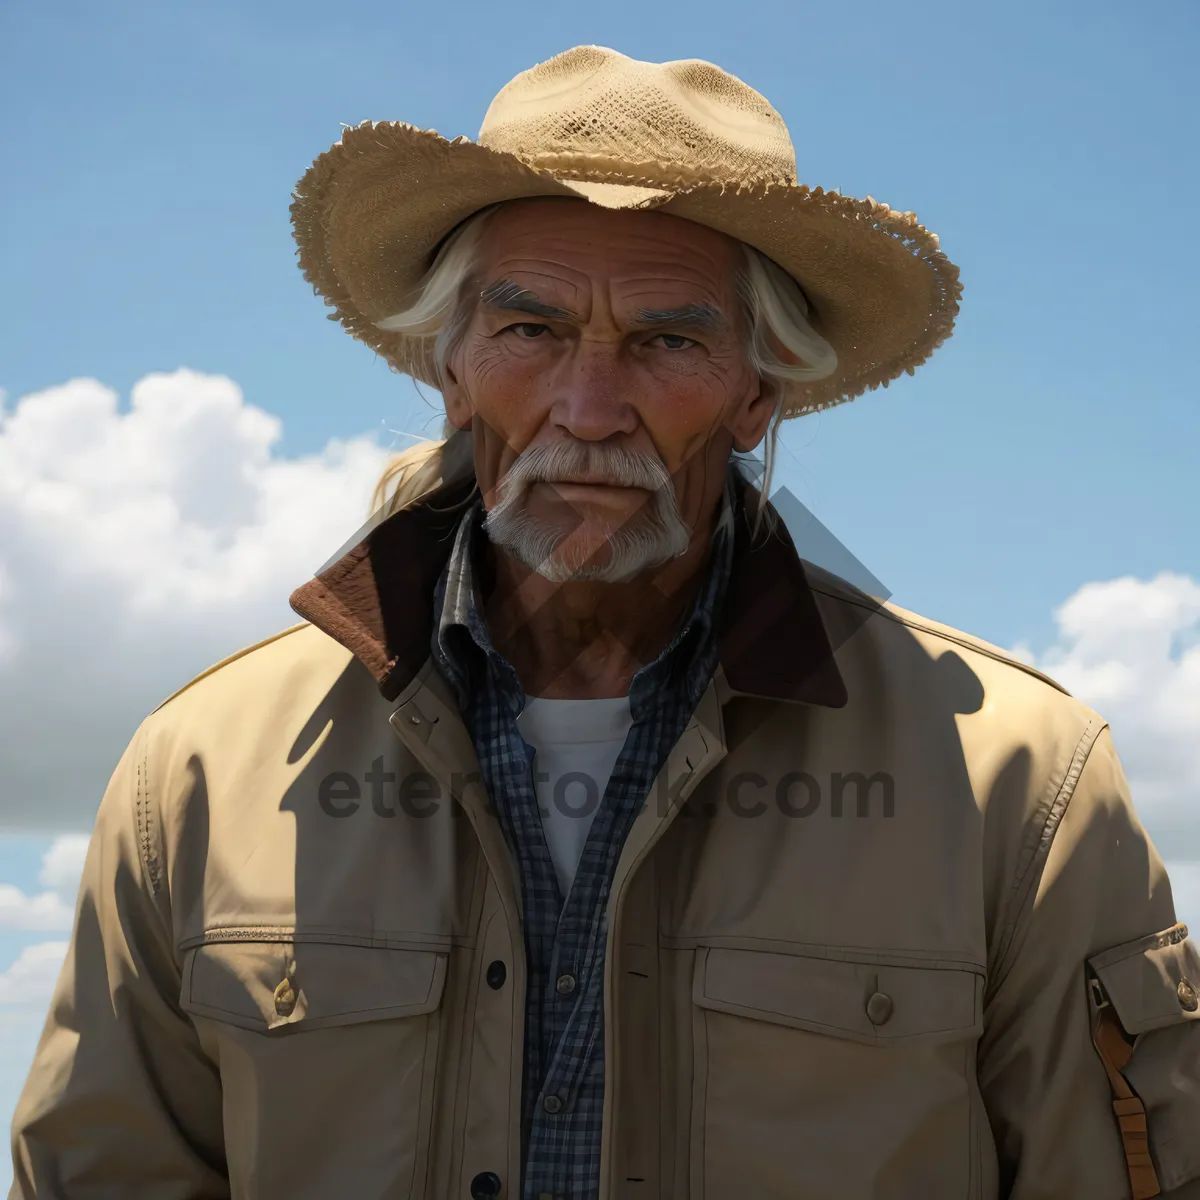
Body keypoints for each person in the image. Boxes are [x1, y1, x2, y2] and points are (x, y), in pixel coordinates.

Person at [10, 44, 1200, 1200]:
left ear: (756, 395)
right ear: (452, 369)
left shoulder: (1021, 789)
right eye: (530, 329)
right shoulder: (196, 777)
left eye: (666, 341)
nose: (588, 408)